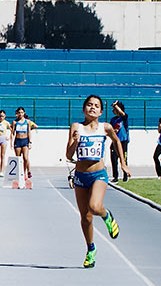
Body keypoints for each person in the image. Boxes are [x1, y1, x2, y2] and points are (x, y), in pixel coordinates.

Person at [66, 94, 128, 268]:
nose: (92, 107)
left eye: (96, 106)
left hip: (98, 174)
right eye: (89, 105)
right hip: (80, 176)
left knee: (94, 207)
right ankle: (90, 249)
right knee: (85, 218)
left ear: (101, 111)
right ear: (84, 109)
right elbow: (69, 155)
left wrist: (123, 163)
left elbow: (117, 141)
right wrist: (75, 141)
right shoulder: (76, 127)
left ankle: (107, 216)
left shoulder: (105, 127)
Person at [11, 108, 37, 179]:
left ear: (24, 113)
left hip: (25, 140)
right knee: (18, 158)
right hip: (17, 141)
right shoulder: (14, 122)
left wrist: (30, 142)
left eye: (22, 112)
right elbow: (12, 133)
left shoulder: (27, 122)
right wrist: (11, 142)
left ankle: (24, 172)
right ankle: (19, 173)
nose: (20, 114)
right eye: (19, 113)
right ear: (17, 113)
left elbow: (29, 132)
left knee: (25, 157)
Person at [109, 101, 130, 183]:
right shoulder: (113, 119)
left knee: (124, 158)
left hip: (123, 141)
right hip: (115, 141)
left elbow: (123, 114)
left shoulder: (123, 118)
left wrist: (115, 105)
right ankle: (115, 176)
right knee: (114, 159)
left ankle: (125, 175)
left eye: (114, 109)